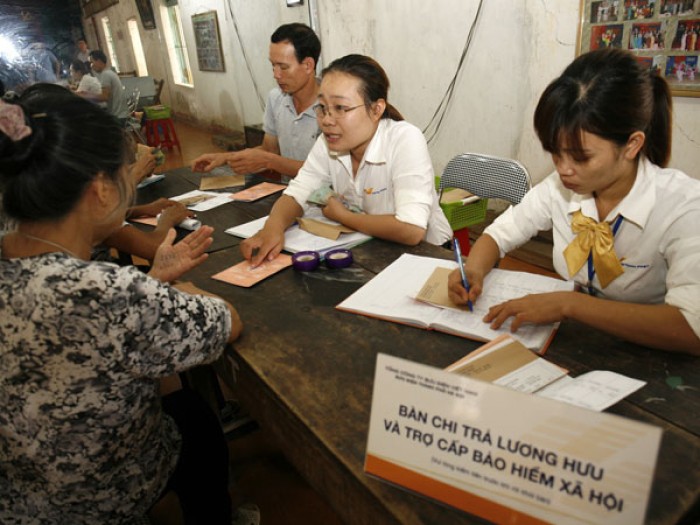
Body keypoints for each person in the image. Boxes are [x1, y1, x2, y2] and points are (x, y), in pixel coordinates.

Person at [0, 88, 254, 523]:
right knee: (193, 418)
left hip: (17, 492)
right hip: (93, 499)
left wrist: (152, 283)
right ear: (101, 189)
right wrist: (178, 288)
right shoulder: (108, 291)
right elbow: (227, 321)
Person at [448, 48, 700, 355]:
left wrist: (569, 304)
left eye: (581, 157)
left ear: (632, 145)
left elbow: (691, 329)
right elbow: (500, 234)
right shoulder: (560, 188)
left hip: (651, 357)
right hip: (576, 345)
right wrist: (473, 270)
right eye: (555, 152)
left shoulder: (684, 207)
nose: (563, 169)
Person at [241, 54, 452, 267]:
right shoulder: (329, 141)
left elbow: (411, 229)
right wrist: (272, 228)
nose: (327, 120)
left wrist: (344, 216)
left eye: (340, 108)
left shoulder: (404, 139)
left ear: (376, 109)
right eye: (322, 107)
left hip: (427, 256)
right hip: (373, 248)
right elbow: (298, 192)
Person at [192, 23, 321, 179]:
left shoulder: (332, 108)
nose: (276, 75)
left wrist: (269, 161)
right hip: (290, 191)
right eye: (273, 65)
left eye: (283, 67)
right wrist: (226, 158)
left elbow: (323, 173)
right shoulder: (276, 98)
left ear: (308, 65)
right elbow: (269, 150)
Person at [89, 49, 130, 125]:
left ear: (99, 61)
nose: (91, 66)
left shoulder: (106, 75)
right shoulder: (110, 72)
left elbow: (104, 97)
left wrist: (86, 95)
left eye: (92, 62)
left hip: (118, 117)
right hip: (122, 114)